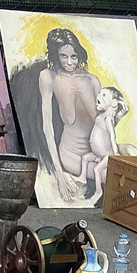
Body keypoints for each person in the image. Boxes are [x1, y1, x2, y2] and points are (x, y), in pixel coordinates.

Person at [37, 27, 102, 204]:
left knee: (131, 154)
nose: (69, 62)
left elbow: (106, 123)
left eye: (74, 56)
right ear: (55, 55)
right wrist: (60, 175)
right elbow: (47, 128)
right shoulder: (49, 77)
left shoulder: (92, 80)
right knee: (110, 174)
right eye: (63, 56)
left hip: (99, 152)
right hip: (72, 154)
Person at [79, 86, 129, 203]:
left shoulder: (108, 119)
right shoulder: (103, 116)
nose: (99, 96)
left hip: (107, 155)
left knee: (97, 170)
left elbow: (112, 136)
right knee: (85, 158)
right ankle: (82, 178)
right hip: (98, 154)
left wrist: (115, 153)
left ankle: (98, 192)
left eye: (104, 95)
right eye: (100, 93)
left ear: (114, 103)